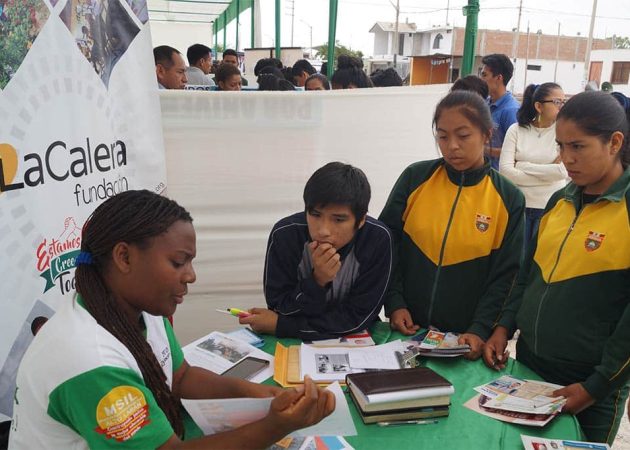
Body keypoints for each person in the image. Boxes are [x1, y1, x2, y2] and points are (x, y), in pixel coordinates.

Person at [8, 190, 334, 449]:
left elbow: (179, 377)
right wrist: (275, 426)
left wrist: (255, 394)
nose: (191, 276)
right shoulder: (88, 361)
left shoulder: (140, 307)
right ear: (124, 257)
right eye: (179, 262)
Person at [483, 91, 630, 445]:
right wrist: (503, 327)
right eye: (561, 147)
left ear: (614, 142)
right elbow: (527, 276)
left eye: (578, 147)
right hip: (529, 371)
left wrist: (595, 387)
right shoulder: (559, 201)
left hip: (590, 387)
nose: (567, 159)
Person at [379, 90, 525, 359]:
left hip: (465, 341)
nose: (452, 146)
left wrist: (480, 328)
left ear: (487, 134)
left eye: (463, 135)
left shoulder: (509, 198)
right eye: (443, 136)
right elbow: (386, 246)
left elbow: (507, 276)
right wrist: (395, 302)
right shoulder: (415, 178)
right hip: (407, 331)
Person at [239, 162, 393, 340]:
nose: (323, 230)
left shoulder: (378, 239)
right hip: (296, 343)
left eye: (338, 219)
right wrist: (317, 281)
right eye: (315, 214)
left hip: (357, 342)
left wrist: (282, 326)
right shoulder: (285, 235)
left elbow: (358, 319)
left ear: (360, 220)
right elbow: (280, 307)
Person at [499, 82, 568, 244]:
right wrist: (548, 171)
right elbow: (506, 172)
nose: (561, 107)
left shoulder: (564, 132)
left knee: (540, 261)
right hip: (518, 206)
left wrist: (522, 165)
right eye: (557, 102)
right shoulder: (516, 130)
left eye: (563, 102)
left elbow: (562, 172)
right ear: (539, 106)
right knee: (518, 261)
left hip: (551, 206)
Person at [480, 53, 520, 169]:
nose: (481, 79)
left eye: (484, 75)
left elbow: (517, 152)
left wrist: (482, 149)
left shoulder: (511, 110)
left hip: (498, 176)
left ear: (499, 78)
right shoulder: (484, 103)